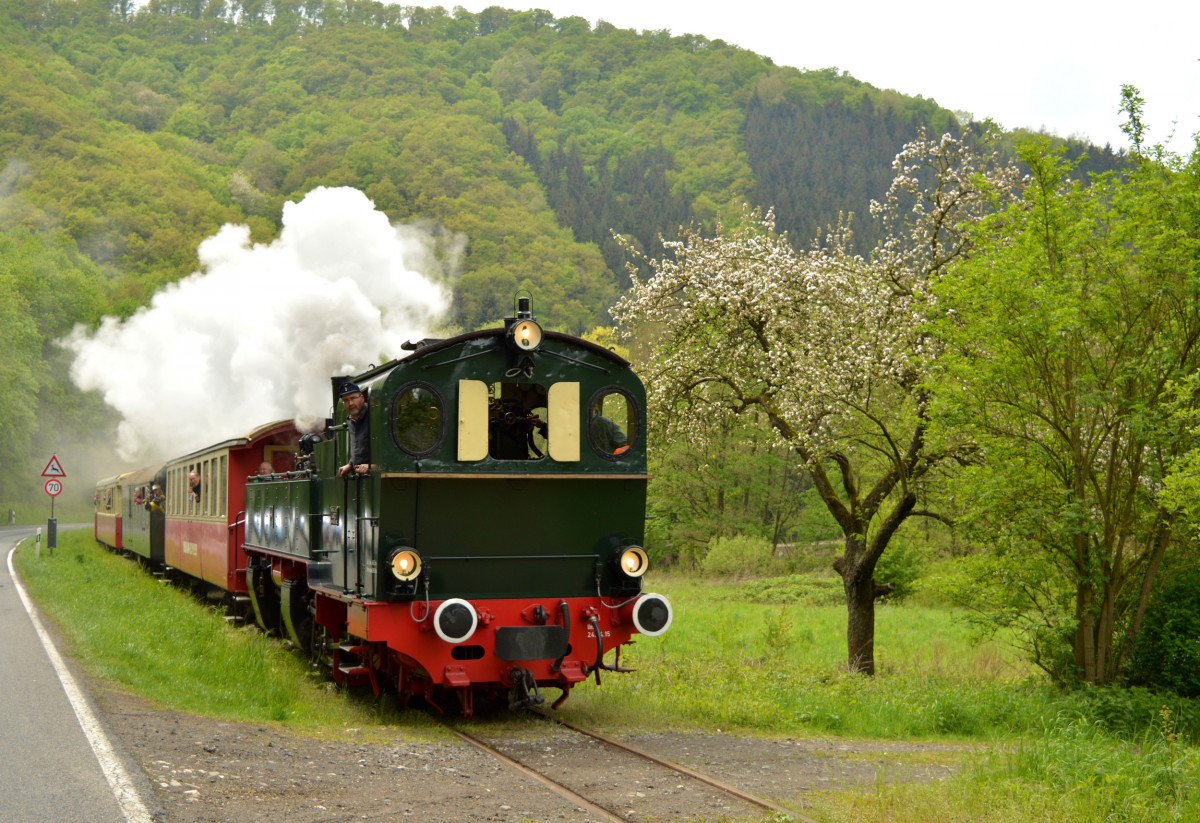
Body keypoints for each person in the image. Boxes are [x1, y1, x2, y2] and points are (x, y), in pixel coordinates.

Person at [337, 382, 371, 478]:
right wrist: (350, 464)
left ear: (362, 398)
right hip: (360, 474)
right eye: (346, 400)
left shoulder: (373, 415)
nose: (350, 403)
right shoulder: (350, 420)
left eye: (353, 398)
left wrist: (371, 466)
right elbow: (358, 445)